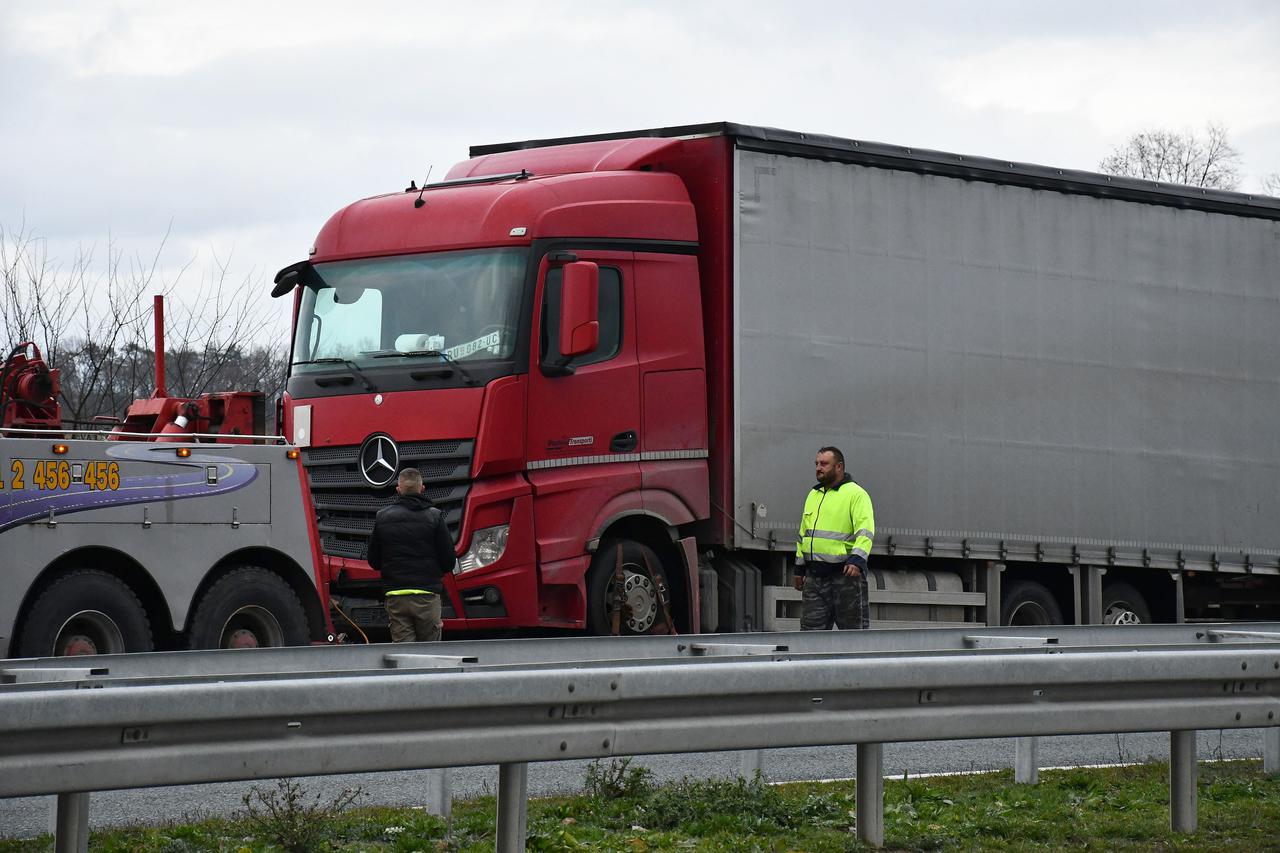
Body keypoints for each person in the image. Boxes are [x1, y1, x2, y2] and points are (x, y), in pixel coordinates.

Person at [367, 467, 456, 642]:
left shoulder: (382, 517)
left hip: (396, 597)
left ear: (398, 490)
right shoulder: (435, 517)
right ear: (422, 489)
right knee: (430, 656)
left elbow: (374, 561)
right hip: (427, 596)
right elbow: (449, 562)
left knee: (404, 656)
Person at [793, 446, 875, 630]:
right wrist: (799, 569)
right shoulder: (813, 495)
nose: (818, 468)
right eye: (816, 464)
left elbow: (865, 530)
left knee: (852, 635)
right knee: (810, 636)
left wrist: (857, 559)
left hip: (844, 576)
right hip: (815, 578)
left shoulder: (856, 494)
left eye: (824, 464)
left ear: (839, 467)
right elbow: (804, 535)